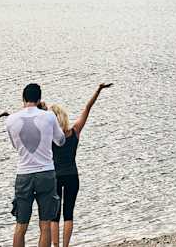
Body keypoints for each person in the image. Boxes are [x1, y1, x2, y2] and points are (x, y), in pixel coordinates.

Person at [47, 82, 112, 247]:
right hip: (72, 176)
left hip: (55, 177)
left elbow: (31, 122)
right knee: (68, 214)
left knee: (54, 215)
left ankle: (55, 246)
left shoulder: (49, 136)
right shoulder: (74, 131)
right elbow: (87, 108)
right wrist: (98, 90)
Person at [5, 83, 65, 247]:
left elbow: (15, 146)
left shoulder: (11, 120)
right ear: (39, 99)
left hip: (23, 174)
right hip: (46, 173)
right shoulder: (50, 116)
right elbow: (60, 141)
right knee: (45, 225)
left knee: (20, 225)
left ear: (23, 98)